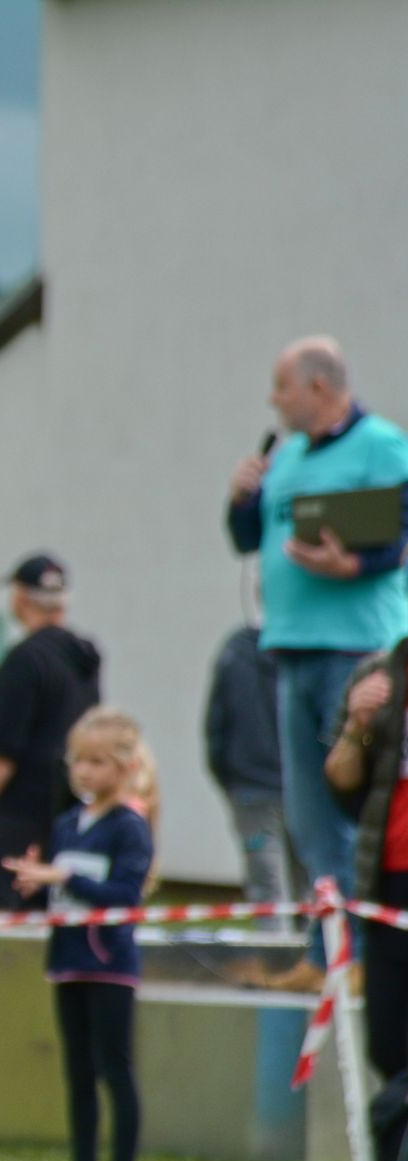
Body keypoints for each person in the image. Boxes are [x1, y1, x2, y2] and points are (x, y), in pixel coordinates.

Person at [228, 336, 408, 975]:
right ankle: (326, 951)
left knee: (351, 803)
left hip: (356, 650)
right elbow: (248, 538)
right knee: (307, 816)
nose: (273, 400)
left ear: (319, 387)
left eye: (282, 387)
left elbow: (400, 531)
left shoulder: (381, 446)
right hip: (292, 648)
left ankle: (360, 953)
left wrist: (352, 564)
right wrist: (241, 501)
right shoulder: (286, 456)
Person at [7, 708, 158, 1161]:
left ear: (126, 766)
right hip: (67, 961)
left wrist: (63, 876)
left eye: (97, 761)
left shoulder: (129, 826)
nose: (85, 772)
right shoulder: (67, 824)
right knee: (78, 1072)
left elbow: (124, 895)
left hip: (110, 965)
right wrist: (36, 882)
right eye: (78, 761)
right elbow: (61, 891)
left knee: (116, 1069)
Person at [0, 553, 102, 908]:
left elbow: (1, 752)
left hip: (15, 815)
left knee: (2, 919)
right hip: (64, 810)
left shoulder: (25, 662)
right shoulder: (83, 658)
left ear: (21, 597)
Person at [321, 646, 408, 1083]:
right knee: (387, 1045)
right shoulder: (380, 673)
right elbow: (341, 784)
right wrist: (357, 726)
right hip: (388, 885)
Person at [205, 620, 303, 904]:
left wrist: (231, 779)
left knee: (265, 886)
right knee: (309, 885)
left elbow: (216, 725)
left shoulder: (234, 653)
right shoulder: (310, 653)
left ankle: (276, 937)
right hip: (299, 788)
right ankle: (311, 935)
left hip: (251, 789)